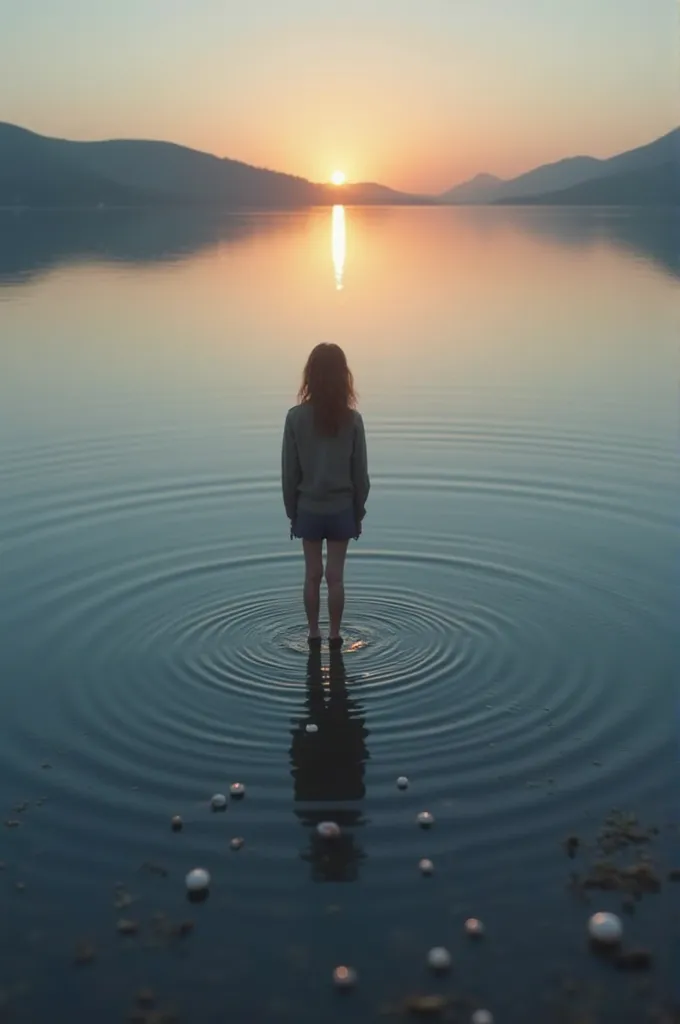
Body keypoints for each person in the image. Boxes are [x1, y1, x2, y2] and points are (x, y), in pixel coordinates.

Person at [281, 343, 370, 649]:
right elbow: (361, 474)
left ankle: (312, 634)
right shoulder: (353, 420)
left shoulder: (295, 418)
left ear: (311, 376)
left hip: (308, 507)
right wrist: (358, 512)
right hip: (341, 508)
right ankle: (335, 635)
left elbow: (289, 473)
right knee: (335, 577)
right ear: (343, 376)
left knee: (312, 575)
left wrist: (292, 512)